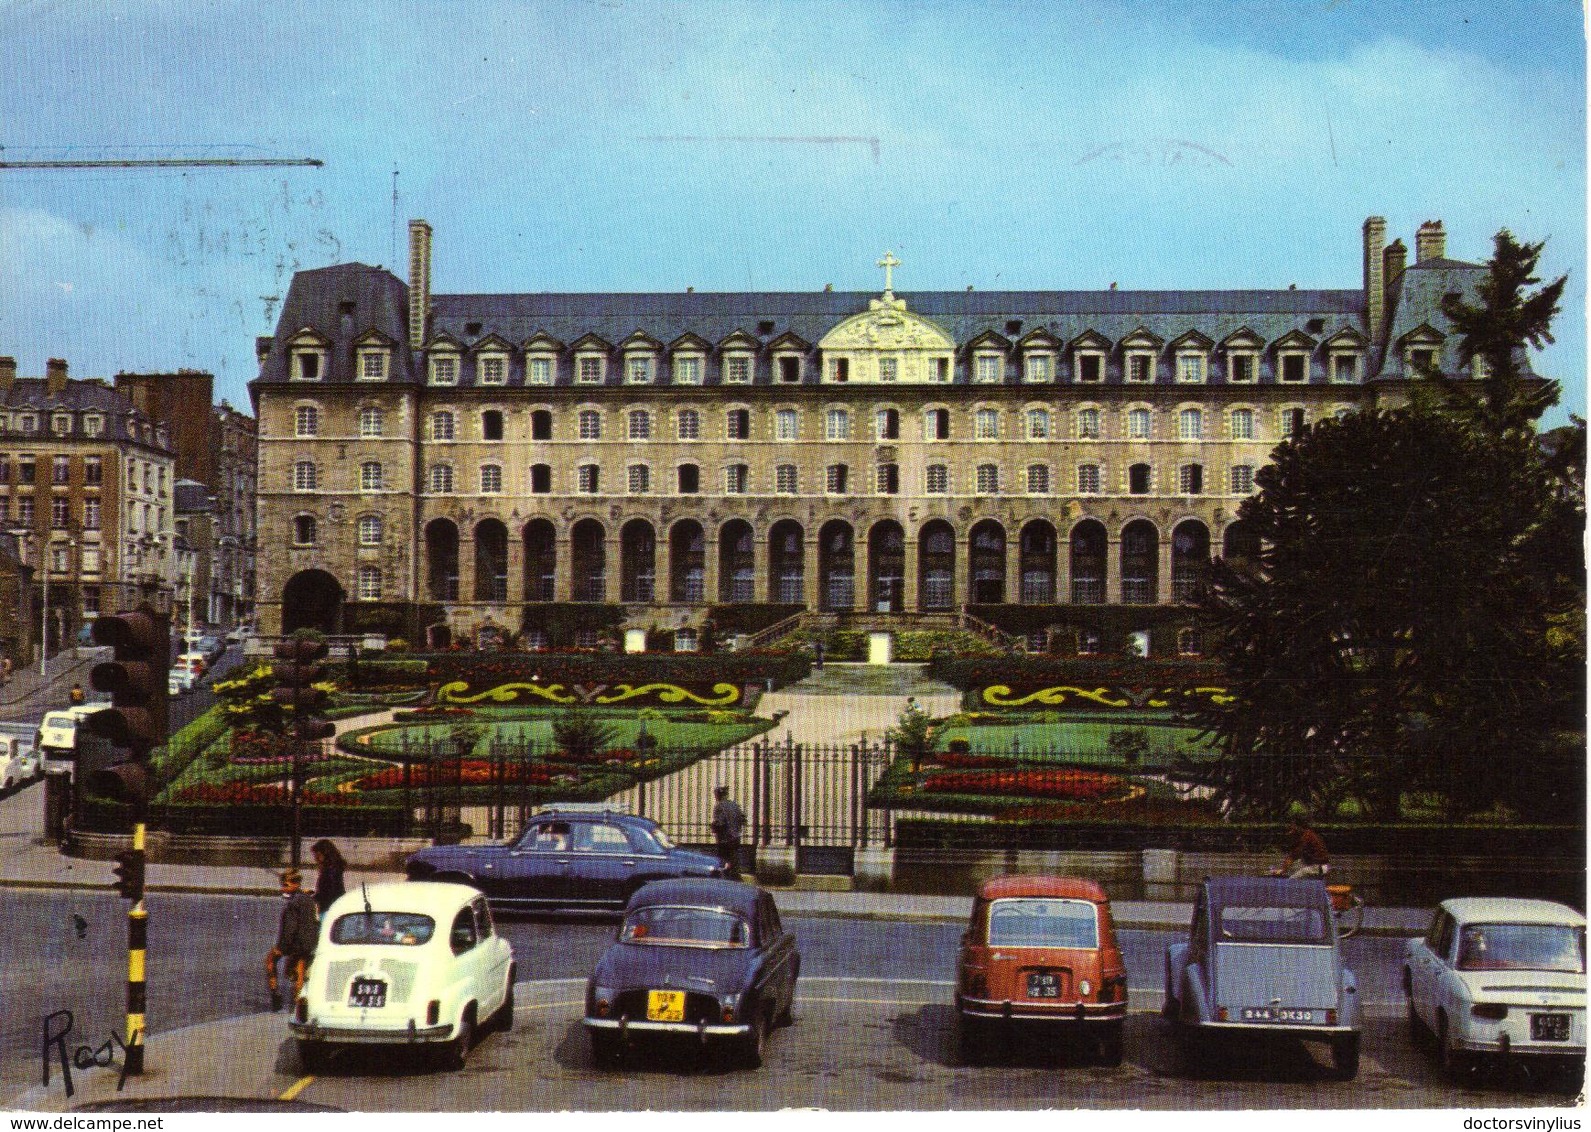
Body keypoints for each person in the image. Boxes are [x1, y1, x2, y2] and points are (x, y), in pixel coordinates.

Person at [266, 867, 319, 1010]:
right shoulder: (308, 899)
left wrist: (281, 948)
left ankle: (275, 994)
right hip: (310, 943)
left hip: (295, 943)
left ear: (295, 884)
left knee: (271, 961)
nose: (283, 888)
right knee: (300, 969)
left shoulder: (293, 904)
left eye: (286, 885)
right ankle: (298, 1001)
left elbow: (289, 929)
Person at [710, 785, 747, 881]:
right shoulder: (734, 805)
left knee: (722, 861)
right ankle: (736, 878)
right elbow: (743, 819)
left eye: (716, 794)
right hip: (736, 838)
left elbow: (720, 823)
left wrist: (713, 827)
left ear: (718, 795)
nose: (715, 796)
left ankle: (724, 880)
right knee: (733, 860)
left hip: (725, 839)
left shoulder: (719, 806)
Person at [310, 839, 346, 916]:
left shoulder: (330, 871)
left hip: (329, 910)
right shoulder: (334, 869)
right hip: (333, 908)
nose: (316, 858)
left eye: (318, 855)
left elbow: (328, 894)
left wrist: (311, 898)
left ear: (326, 855)